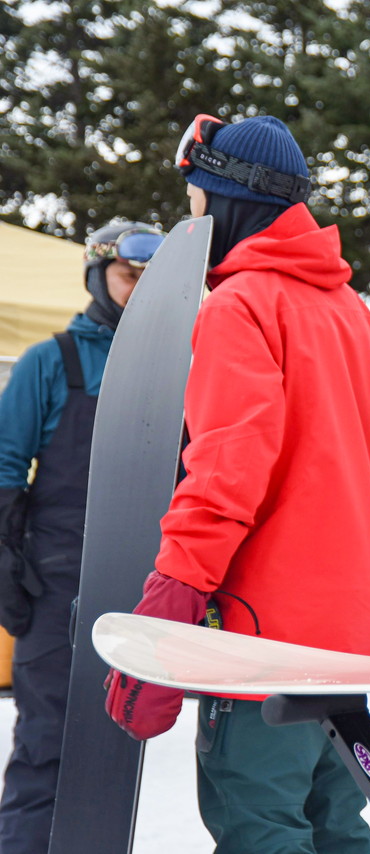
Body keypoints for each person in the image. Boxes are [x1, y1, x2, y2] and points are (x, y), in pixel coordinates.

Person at [103, 114, 370, 854]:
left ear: (229, 198)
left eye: (196, 197)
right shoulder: (352, 314)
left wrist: (171, 597)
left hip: (265, 640)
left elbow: (227, 474)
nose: (192, 216)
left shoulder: (239, 306)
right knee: (338, 827)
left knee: (260, 829)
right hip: (349, 638)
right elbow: (366, 476)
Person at [0, 221, 163, 854]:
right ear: (99, 277)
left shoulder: (176, 365)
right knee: (47, 744)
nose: (138, 293)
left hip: (138, 582)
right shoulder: (54, 360)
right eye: (129, 279)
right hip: (54, 578)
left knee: (114, 750)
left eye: (152, 285)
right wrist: (8, 558)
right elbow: (7, 465)